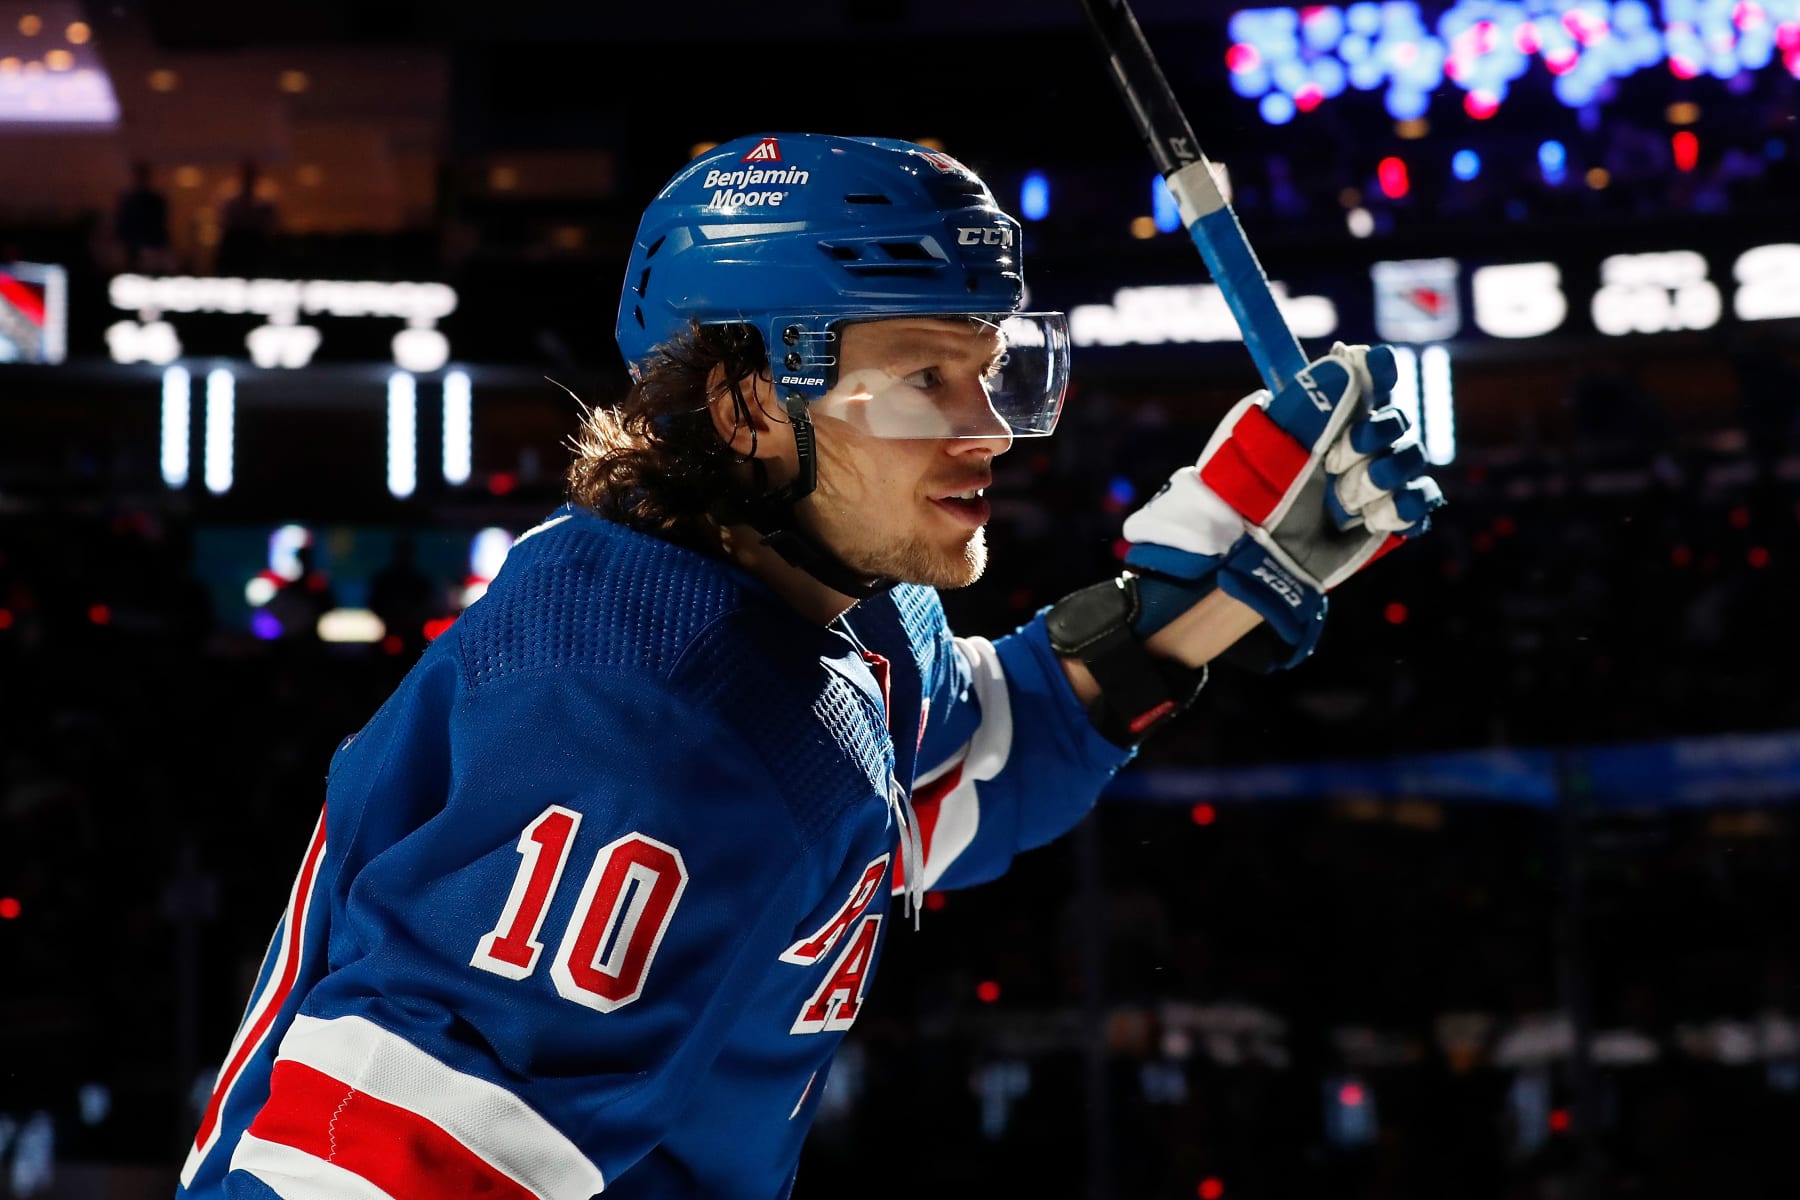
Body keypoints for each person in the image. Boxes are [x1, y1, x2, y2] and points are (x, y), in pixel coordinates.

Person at [176, 133, 1441, 1199]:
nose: (985, 431)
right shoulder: (628, 727)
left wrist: (1217, 575)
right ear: (746, 408)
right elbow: (367, 1171)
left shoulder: (841, 611)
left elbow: (957, 779)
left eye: (994, 372)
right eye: (919, 382)